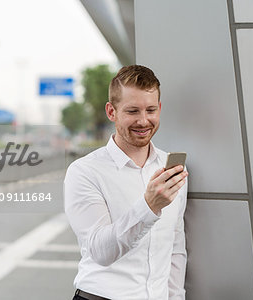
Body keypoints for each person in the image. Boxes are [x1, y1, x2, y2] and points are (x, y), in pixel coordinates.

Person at [64, 65, 189, 300]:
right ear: (112, 112)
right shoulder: (84, 172)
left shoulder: (170, 166)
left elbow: (175, 246)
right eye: (132, 111)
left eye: (151, 110)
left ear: (159, 109)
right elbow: (101, 251)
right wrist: (149, 206)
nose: (143, 121)